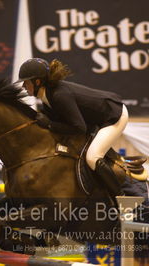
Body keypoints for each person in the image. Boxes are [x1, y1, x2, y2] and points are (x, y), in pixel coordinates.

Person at [16, 58, 129, 197]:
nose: (23, 86)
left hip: (114, 115)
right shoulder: (47, 97)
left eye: (26, 82)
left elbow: (79, 128)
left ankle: (124, 199)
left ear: (37, 82)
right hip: (95, 119)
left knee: (92, 157)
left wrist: (49, 124)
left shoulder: (59, 95)